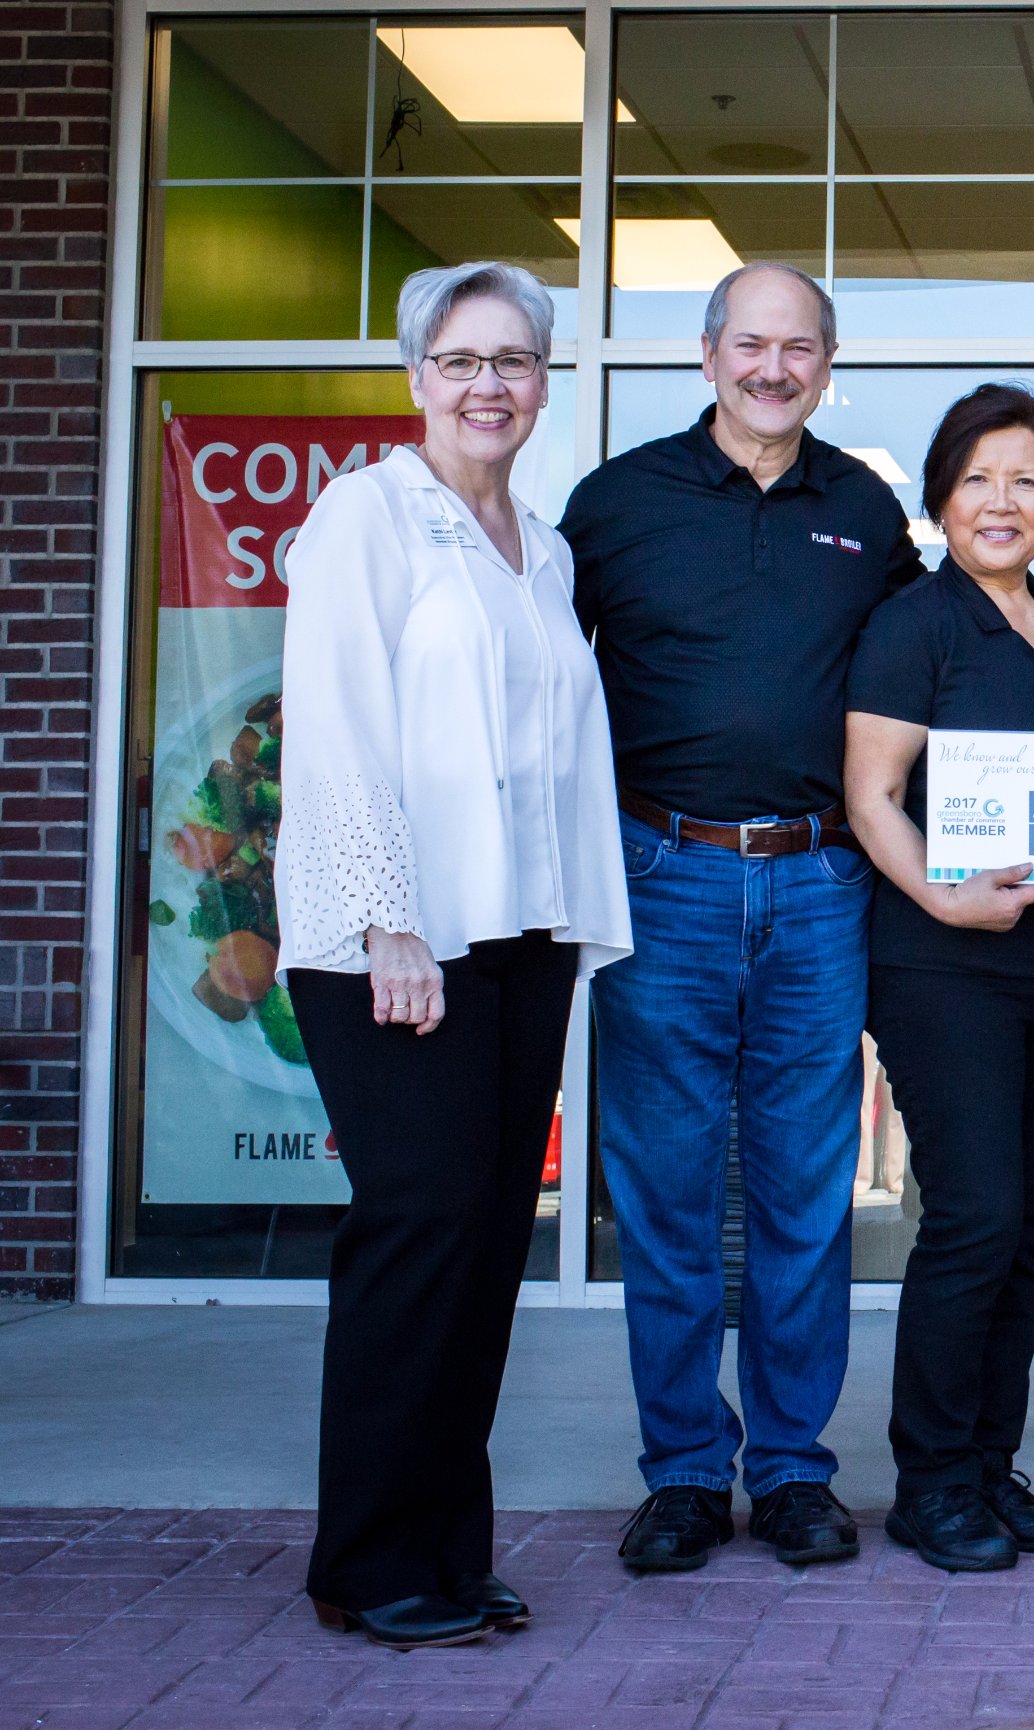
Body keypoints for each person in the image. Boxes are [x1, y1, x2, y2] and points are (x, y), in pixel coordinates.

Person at [276, 261, 630, 1648]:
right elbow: (340, 726)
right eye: (461, 358)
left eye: (515, 361)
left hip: (517, 937)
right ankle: (365, 1559)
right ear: (419, 374)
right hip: (393, 941)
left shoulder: (539, 547)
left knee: (486, 1243)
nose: (489, 384)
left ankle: (443, 1545)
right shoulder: (364, 515)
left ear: (544, 383)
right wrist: (389, 922)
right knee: (416, 1231)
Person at [559, 262, 925, 1573]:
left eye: (801, 347)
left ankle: (787, 1469)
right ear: (707, 354)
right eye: (752, 344)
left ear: (828, 363)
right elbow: (540, 687)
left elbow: (916, 682)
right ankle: (676, 1472)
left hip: (822, 883)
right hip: (662, 877)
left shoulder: (865, 510)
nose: (775, 368)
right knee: (661, 1190)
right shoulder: (615, 504)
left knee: (801, 1195)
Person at [844, 386, 1034, 1572]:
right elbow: (869, 796)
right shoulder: (913, 624)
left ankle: (988, 1464)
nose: (999, 501)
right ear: (940, 499)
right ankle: (929, 1477)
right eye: (975, 479)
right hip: (939, 962)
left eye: (1024, 478)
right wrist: (944, 895)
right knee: (968, 1216)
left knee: (1022, 1230)